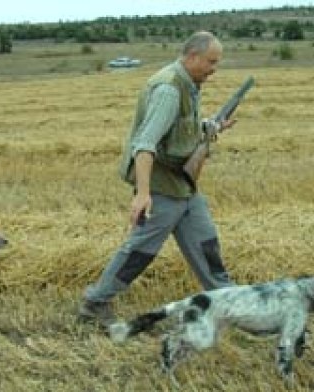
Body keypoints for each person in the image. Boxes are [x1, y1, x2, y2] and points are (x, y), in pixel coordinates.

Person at [79, 31, 237, 327]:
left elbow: (179, 133)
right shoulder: (169, 89)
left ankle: (229, 303)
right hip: (163, 186)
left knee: (207, 245)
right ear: (192, 57)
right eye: (211, 62)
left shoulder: (188, 85)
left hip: (183, 185)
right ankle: (95, 303)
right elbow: (145, 143)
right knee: (140, 252)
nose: (215, 69)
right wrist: (143, 193)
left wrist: (211, 127)